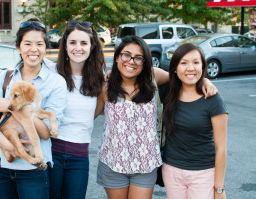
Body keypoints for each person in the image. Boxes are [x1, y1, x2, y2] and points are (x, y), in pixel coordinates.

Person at [94, 36, 218, 199]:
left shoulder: (153, 77)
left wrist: (204, 81)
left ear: (144, 62)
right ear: (117, 57)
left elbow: (180, 77)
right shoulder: (106, 86)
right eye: (126, 55)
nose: (131, 61)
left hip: (146, 165)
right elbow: (89, 117)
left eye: (138, 58)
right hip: (112, 163)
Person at [0, 18, 67, 199]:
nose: (33, 49)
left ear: (45, 48)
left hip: (33, 170)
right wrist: (10, 147)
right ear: (19, 48)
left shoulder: (56, 83)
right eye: (27, 43)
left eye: (39, 44)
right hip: (0, 166)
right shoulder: (4, 78)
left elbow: (44, 132)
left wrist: (13, 109)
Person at [162, 43, 228, 199]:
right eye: (184, 63)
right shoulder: (168, 91)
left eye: (196, 62)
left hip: (203, 174)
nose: (190, 68)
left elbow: (221, 149)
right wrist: (112, 72)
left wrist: (219, 188)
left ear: (203, 66)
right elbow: (146, 73)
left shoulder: (213, 99)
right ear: (175, 68)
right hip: (172, 171)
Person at [48, 21, 105, 199]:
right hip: (51, 152)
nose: (77, 48)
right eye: (72, 43)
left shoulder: (99, 78)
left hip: (80, 156)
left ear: (92, 46)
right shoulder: (51, 73)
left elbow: (94, 112)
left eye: (83, 43)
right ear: (65, 46)